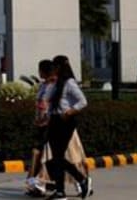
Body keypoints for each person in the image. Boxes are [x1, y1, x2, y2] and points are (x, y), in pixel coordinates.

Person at [46, 55, 92, 199]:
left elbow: (82, 101)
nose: (53, 69)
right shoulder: (56, 83)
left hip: (65, 121)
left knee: (58, 157)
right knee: (57, 157)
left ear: (60, 67)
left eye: (55, 66)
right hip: (54, 120)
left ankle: (80, 180)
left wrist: (71, 111)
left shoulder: (69, 83)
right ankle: (61, 190)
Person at [25, 59, 56, 197]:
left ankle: (41, 183)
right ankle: (37, 183)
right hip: (40, 124)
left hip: (49, 124)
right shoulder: (43, 85)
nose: (39, 72)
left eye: (40, 70)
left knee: (42, 153)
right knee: (38, 153)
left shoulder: (54, 86)